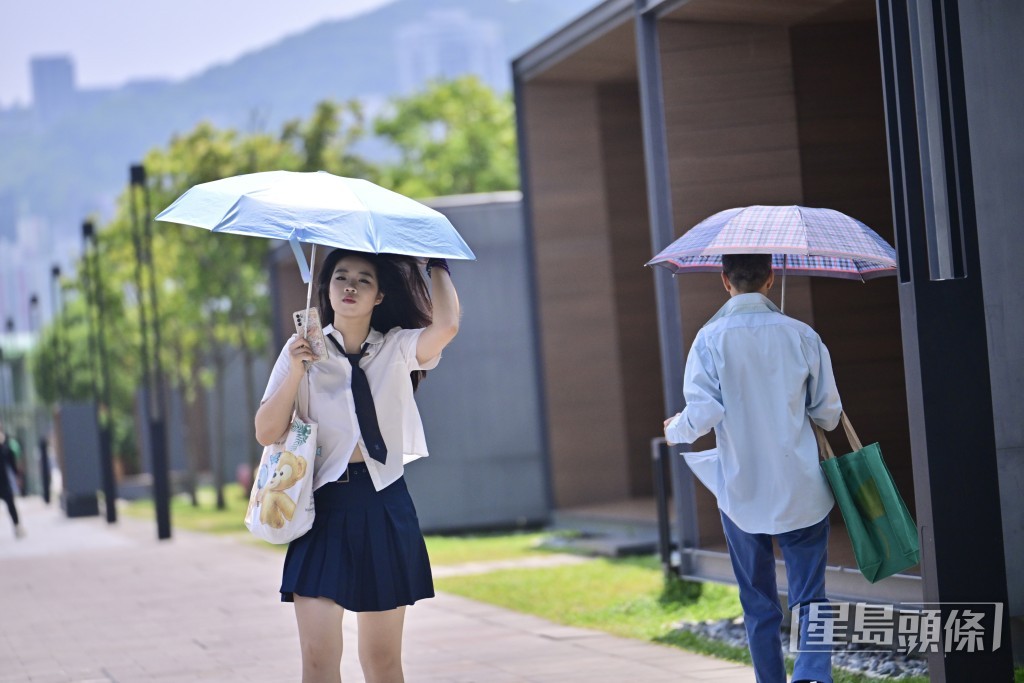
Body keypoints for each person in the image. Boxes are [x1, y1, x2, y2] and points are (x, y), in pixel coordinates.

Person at [255, 249, 459, 683]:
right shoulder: (301, 351)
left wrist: (437, 264)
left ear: (380, 295)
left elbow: (447, 326)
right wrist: (295, 367)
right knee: (317, 659)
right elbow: (266, 430)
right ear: (326, 291)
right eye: (340, 277)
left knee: (382, 662)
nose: (349, 286)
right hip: (322, 510)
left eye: (363, 280)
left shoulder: (399, 347)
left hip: (383, 504)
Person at [663, 254, 841, 683]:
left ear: (725, 281)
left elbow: (702, 414)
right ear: (770, 278)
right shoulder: (802, 335)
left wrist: (675, 429)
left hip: (741, 491)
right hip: (802, 488)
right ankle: (813, 675)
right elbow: (829, 416)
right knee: (810, 595)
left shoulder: (709, 339)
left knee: (757, 600)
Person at [0, 419, 25, 539]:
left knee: (11, 504)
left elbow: (12, 462)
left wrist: (17, 477)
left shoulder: (7, 443)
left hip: (4, 481)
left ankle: (17, 526)